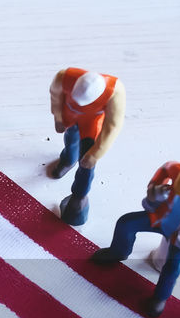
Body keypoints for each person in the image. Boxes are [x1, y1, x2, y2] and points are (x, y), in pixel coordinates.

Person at [91, 162, 180, 318]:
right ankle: (117, 252)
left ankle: (160, 298)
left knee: (173, 266)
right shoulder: (176, 169)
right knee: (126, 223)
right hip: (159, 218)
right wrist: (155, 188)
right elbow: (163, 170)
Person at [48, 67, 126, 225]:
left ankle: (78, 200)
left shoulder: (115, 91)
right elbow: (55, 96)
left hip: (91, 127)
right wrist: (58, 116)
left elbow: (113, 126)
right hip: (69, 117)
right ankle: (68, 159)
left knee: (87, 164)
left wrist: (96, 153)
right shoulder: (63, 77)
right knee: (70, 140)